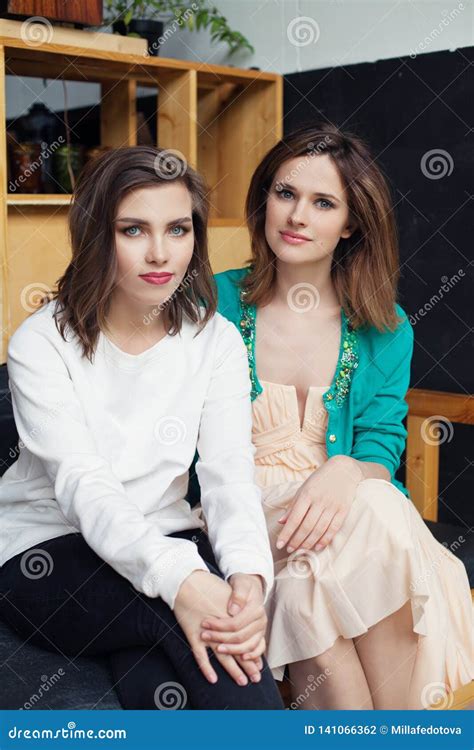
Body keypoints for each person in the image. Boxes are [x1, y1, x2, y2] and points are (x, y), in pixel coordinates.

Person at [0, 146, 284, 711]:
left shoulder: (216, 340)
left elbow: (229, 476)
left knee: (197, 645)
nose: (160, 253)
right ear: (96, 237)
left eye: (177, 229)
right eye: (133, 229)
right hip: (47, 549)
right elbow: (84, 485)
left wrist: (248, 576)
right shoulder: (41, 342)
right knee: (191, 619)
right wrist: (186, 581)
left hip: (163, 535)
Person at [203, 124, 473, 709]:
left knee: (349, 540)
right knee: (313, 578)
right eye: (285, 193)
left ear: (351, 223)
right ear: (264, 200)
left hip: (348, 510)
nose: (297, 215)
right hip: (250, 515)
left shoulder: (386, 327)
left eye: (323, 202)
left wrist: (346, 470)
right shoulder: (211, 303)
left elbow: (381, 444)